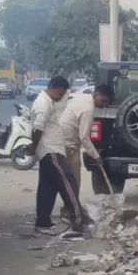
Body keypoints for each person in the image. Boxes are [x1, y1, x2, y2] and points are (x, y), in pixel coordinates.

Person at [28, 76, 92, 234]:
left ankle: (43, 223)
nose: (61, 97)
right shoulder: (43, 103)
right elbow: (37, 128)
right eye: (60, 93)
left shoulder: (46, 101)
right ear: (52, 87)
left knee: (47, 188)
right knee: (68, 181)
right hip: (51, 151)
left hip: (49, 151)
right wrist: (33, 146)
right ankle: (78, 221)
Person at [59, 84, 114, 192]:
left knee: (68, 180)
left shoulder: (83, 98)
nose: (104, 105)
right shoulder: (88, 109)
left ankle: (70, 206)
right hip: (69, 147)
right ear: (96, 95)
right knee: (74, 181)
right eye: (103, 101)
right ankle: (73, 207)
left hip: (64, 143)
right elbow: (84, 137)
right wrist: (96, 156)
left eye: (107, 103)